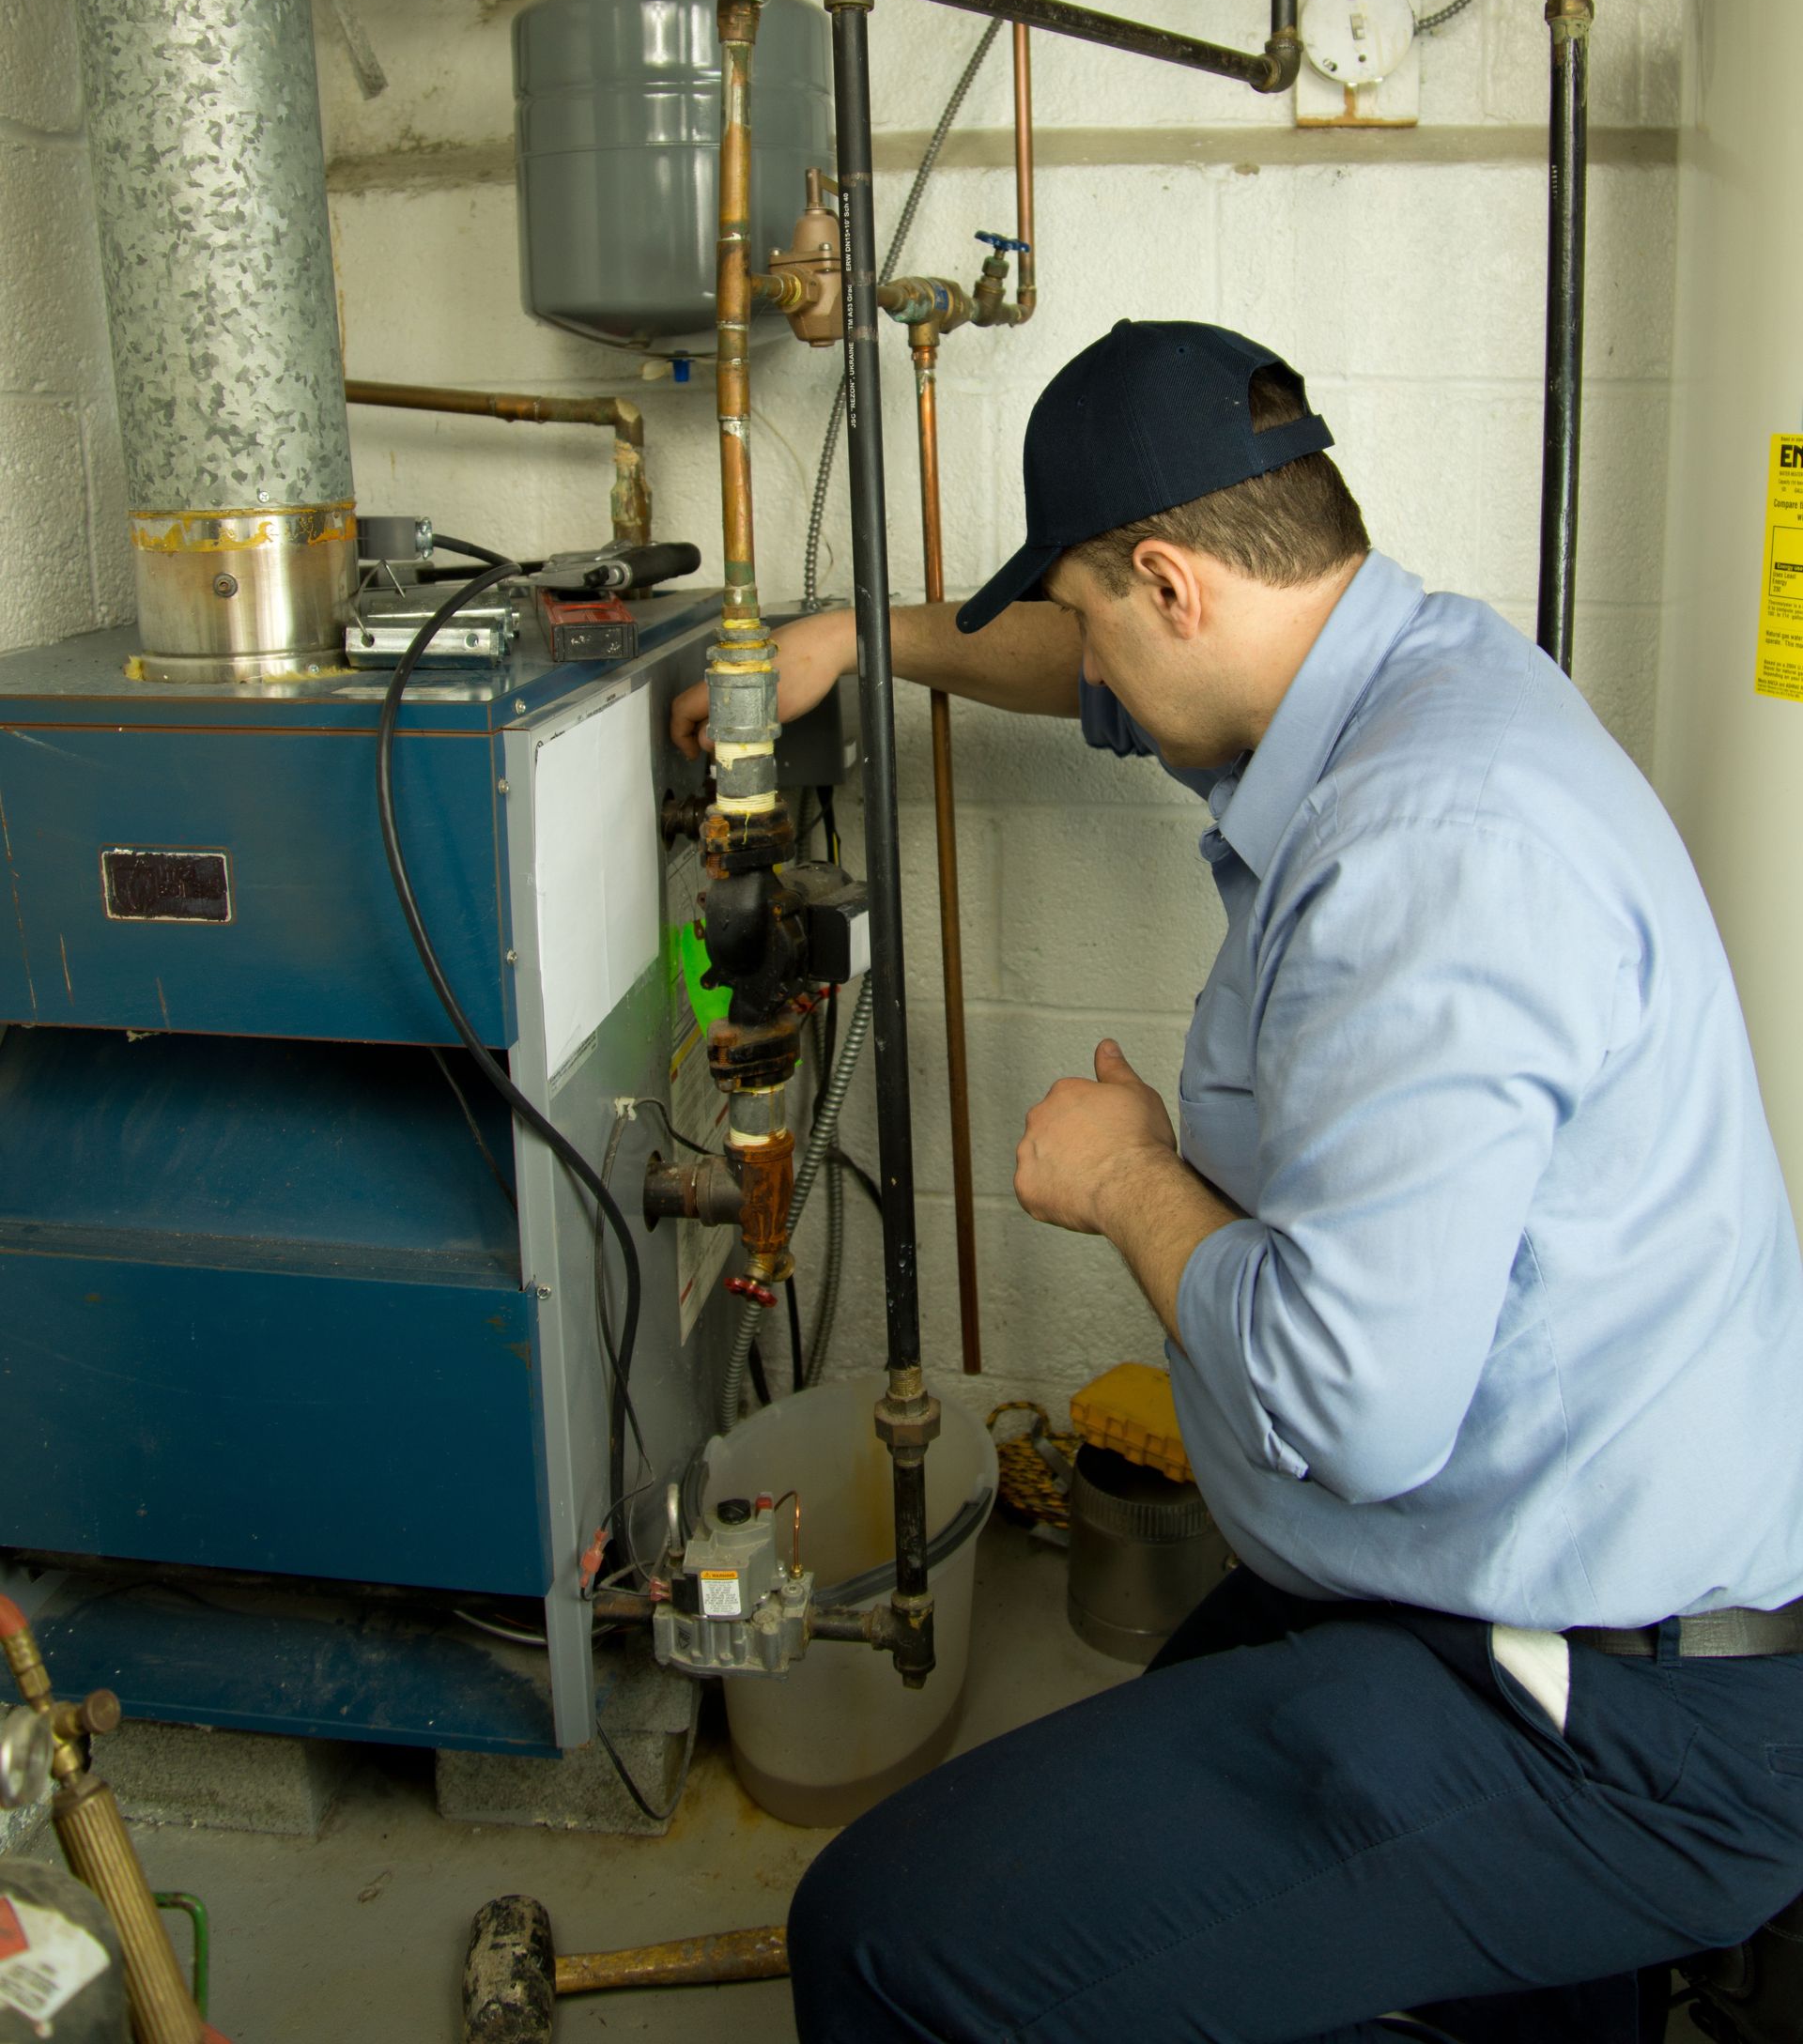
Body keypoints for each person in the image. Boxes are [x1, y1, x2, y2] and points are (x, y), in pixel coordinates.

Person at [670, 319, 1803, 2044]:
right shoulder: (1397, 671)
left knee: (884, 1944)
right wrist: (857, 639)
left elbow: (1352, 1406)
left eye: (1091, 609)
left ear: (1174, 585)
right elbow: (1075, 670)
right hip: (1500, 1585)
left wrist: (1127, 1178)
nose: (1087, 666)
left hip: (1604, 1714)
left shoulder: (1427, 850)